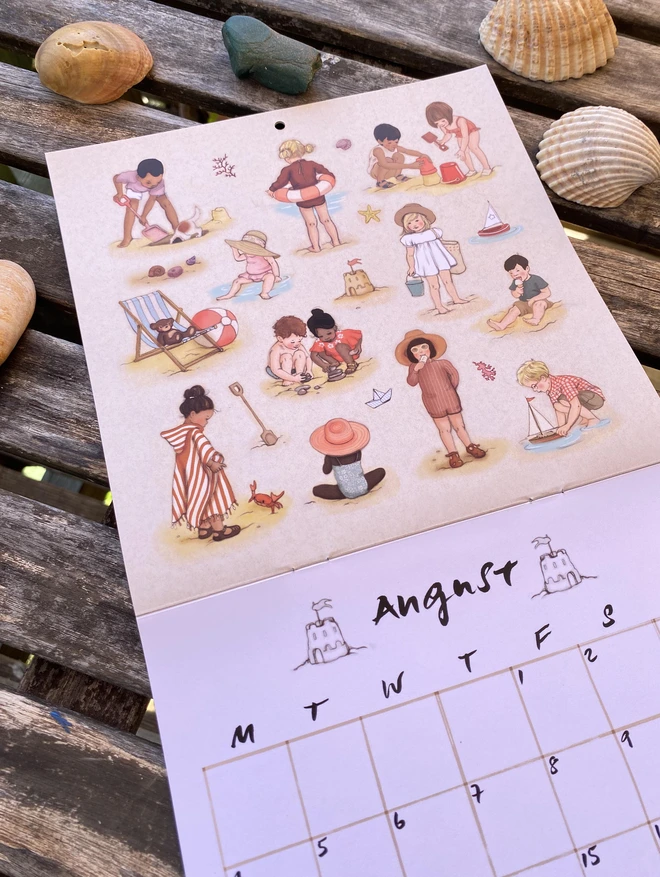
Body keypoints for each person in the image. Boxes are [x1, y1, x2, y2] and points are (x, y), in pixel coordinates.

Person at [396, 330, 486, 469]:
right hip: (433, 402)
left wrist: (449, 390)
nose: (421, 351)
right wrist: (416, 370)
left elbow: (454, 376)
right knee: (444, 429)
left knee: (459, 425)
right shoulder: (414, 367)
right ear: (411, 354)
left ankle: (470, 446)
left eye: (424, 347)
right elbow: (411, 382)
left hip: (450, 398)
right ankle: (453, 454)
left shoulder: (443, 363)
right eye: (415, 350)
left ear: (431, 348)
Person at [160, 386, 240, 542]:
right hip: (204, 474)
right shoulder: (195, 432)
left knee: (198, 498)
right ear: (192, 414)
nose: (207, 422)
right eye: (206, 418)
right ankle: (219, 531)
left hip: (191, 476)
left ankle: (204, 529)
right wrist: (212, 462)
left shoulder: (181, 432)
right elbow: (204, 449)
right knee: (212, 499)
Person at [267, 140, 341, 253]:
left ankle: (316, 247)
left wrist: (272, 190)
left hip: (303, 202)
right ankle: (336, 242)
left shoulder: (287, 170)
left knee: (311, 224)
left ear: (287, 157)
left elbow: (280, 182)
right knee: (326, 220)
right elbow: (328, 174)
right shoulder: (312, 164)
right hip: (318, 198)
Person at [395, 203, 467, 315]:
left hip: (440, 259)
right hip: (426, 263)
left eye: (416, 220)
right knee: (434, 285)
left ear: (423, 219)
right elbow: (410, 254)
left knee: (448, 281)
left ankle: (456, 298)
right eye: (409, 223)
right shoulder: (409, 238)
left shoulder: (434, 232)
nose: (414, 225)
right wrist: (412, 266)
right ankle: (439, 306)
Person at [517, 361, 605, 436]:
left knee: (562, 399)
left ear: (543, 378)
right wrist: (561, 428)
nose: (535, 390)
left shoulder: (563, 382)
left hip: (594, 398)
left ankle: (592, 418)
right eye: (532, 388)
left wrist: (568, 425)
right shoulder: (550, 390)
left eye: (534, 386)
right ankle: (585, 417)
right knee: (557, 405)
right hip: (582, 401)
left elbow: (576, 405)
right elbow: (558, 411)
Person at [309, 418, 386, 500]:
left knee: (316, 490)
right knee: (381, 471)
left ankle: (347, 490)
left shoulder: (331, 457)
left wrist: (327, 461)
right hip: (363, 486)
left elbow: (326, 471)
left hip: (345, 492)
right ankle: (357, 488)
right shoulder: (357, 452)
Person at [113, 158, 179, 248]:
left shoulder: (157, 184)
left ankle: (177, 228)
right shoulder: (131, 176)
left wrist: (144, 216)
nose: (153, 185)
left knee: (166, 203)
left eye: (157, 181)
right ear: (139, 177)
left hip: (153, 192)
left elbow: (151, 199)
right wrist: (119, 193)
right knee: (132, 207)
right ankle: (127, 237)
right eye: (148, 182)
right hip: (135, 188)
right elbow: (116, 178)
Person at [488, 255, 554, 332]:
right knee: (514, 310)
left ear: (527, 269)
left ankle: (536, 319)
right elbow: (514, 294)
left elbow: (547, 292)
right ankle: (502, 325)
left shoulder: (536, 279)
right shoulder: (515, 282)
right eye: (511, 273)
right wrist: (517, 292)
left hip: (539, 300)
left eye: (517, 271)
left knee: (539, 304)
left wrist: (534, 299)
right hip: (524, 303)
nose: (514, 274)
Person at [425, 102, 492, 176]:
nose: (441, 124)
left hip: (471, 132)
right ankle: (472, 170)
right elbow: (448, 134)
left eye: (443, 120)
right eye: (437, 123)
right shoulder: (442, 126)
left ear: (448, 115)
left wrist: (462, 150)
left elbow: (465, 136)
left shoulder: (460, 120)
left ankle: (487, 168)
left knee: (474, 148)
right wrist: (442, 141)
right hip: (460, 134)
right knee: (464, 153)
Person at [217, 231, 281, 301]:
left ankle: (264, 293)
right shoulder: (246, 254)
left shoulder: (264, 255)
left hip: (264, 274)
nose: (248, 251)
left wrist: (276, 275)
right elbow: (238, 258)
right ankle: (230, 294)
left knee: (270, 277)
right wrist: (234, 249)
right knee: (237, 281)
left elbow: (273, 263)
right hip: (250, 275)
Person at [307, 308, 362, 381]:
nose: (326, 337)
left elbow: (359, 335)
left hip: (349, 355)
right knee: (320, 352)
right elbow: (313, 355)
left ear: (334, 328)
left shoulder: (342, 334)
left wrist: (358, 346)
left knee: (340, 346)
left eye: (329, 333)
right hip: (336, 358)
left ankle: (352, 364)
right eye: (321, 336)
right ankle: (334, 363)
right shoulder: (320, 342)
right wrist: (323, 365)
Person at [368, 123, 429, 189]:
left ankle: (398, 175)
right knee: (387, 160)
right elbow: (384, 165)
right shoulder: (378, 150)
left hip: (390, 171)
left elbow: (407, 151)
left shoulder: (395, 147)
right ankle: (380, 181)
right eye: (389, 143)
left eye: (396, 142)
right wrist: (410, 166)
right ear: (380, 141)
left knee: (399, 156)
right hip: (376, 172)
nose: (394, 145)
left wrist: (421, 155)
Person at [267, 315, 313, 385]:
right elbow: (275, 369)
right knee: (286, 356)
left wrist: (309, 370)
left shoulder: (298, 345)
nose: (297, 344)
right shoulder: (276, 349)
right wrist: (293, 378)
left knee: (300, 353)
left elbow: (307, 358)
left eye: (299, 340)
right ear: (280, 339)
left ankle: (300, 375)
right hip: (279, 371)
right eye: (292, 342)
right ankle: (287, 380)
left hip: (293, 369)